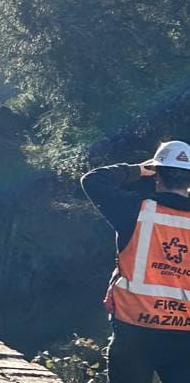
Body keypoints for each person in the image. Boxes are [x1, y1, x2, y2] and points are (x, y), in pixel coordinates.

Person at [82, 140, 190, 382]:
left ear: (157, 175)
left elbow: (93, 180)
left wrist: (137, 169)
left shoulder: (135, 210)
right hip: (184, 334)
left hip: (135, 330)